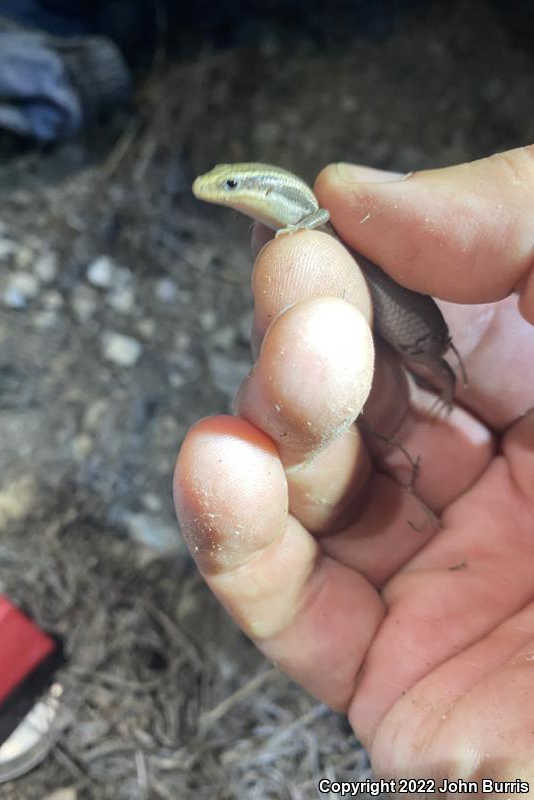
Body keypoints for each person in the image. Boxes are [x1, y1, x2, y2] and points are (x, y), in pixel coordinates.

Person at [174, 146, 534, 784]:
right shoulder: (305, 230)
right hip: (410, 348)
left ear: (262, 189)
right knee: (329, 353)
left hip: (424, 339)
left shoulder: (314, 223)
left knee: (395, 358)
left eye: (230, 185)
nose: (218, 191)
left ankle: (435, 384)